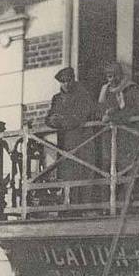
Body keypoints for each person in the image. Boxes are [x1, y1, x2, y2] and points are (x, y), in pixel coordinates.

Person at [45, 67, 97, 205]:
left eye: (68, 81)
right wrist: (52, 120)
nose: (66, 84)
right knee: (68, 175)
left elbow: (81, 117)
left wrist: (62, 121)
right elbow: (48, 118)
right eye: (63, 82)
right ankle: (69, 207)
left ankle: (85, 207)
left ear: (73, 80)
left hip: (82, 141)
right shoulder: (56, 99)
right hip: (65, 144)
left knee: (84, 174)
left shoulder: (83, 96)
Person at [97, 62, 139, 174]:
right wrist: (103, 114)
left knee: (127, 163)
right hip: (110, 134)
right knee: (109, 163)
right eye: (109, 76)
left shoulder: (130, 88)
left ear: (120, 75)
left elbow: (135, 109)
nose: (112, 79)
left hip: (128, 133)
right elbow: (99, 109)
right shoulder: (105, 90)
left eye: (115, 76)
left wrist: (115, 113)